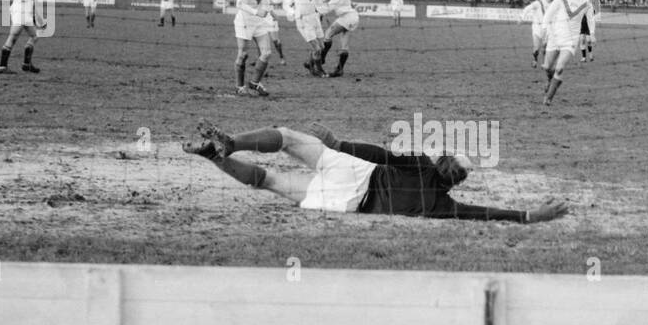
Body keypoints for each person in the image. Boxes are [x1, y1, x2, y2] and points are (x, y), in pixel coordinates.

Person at [182, 119, 568, 223]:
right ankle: (215, 157)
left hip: (355, 169)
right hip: (347, 203)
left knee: (284, 137)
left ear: (442, 161)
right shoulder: (440, 207)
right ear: (458, 183)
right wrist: (530, 215)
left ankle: (230, 142)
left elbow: (381, 155)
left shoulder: (420, 163)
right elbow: (484, 214)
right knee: (270, 182)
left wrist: (338, 144)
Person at [540, 0, 594, 105]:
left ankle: (548, 98)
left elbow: (591, 21)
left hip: (570, 41)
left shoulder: (586, 4)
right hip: (555, 37)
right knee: (547, 66)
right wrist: (544, 29)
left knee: (559, 68)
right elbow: (548, 15)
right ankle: (551, 79)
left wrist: (592, 34)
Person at [234, 0, 283, 96]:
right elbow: (239, 3)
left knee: (266, 53)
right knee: (243, 55)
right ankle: (239, 86)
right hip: (245, 21)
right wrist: (257, 11)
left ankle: (254, 83)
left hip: (259, 21)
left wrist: (271, 9)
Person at [0, 0, 54, 74]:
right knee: (13, 37)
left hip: (25, 9)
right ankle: (2, 66)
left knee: (34, 36)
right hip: (21, 10)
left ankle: (26, 64)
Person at [283, 0, 326, 76]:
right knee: (316, 48)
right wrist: (292, 13)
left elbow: (319, 2)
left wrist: (321, 12)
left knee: (322, 47)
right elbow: (286, 3)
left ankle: (310, 64)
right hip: (303, 20)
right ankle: (319, 71)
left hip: (314, 18)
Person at [317, 0, 358, 77]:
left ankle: (321, 59)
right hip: (350, 18)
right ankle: (339, 69)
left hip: (347, 17)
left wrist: (319, 11)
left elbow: (330, 6)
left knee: (328, 34)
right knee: (344, 45)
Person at [520, 0, 553, 68]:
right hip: (537, 27)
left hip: (548, 28)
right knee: (536, 46)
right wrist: (521, 18)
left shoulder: (554, 5)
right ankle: (535, 60)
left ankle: (545, 63)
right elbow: (527, 8)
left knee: (545, 46)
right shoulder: (538, 3)